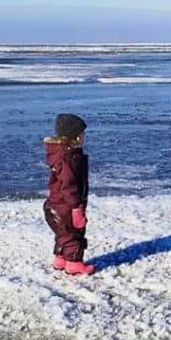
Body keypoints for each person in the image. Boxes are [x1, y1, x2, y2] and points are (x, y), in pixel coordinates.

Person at [43, 113, 94, 275]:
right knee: (73, 233)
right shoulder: (68, 157)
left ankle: (61, 259)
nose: (84, 137)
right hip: (66, 205)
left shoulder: (62, 153)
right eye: (83, 134)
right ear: (76, 137)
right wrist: (76, 207)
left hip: (56, 203)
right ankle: (74, 262)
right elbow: (68, 184)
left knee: (63, 233)